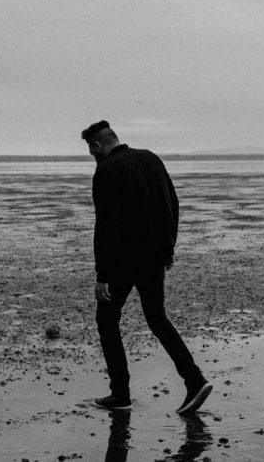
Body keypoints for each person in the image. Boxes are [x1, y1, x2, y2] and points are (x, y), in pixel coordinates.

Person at [80, 120, 212, 415]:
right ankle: (194, 379)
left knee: (107, 320)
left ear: (97, 146)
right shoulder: (151, 158)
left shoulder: (106, 171)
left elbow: (106, 225)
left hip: (123, 262)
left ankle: (120, 394)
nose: (93, 157)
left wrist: (102, 275)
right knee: (156, 317)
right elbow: (172, 204)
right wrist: (168, 249)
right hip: (153, 257)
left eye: (91, 151)